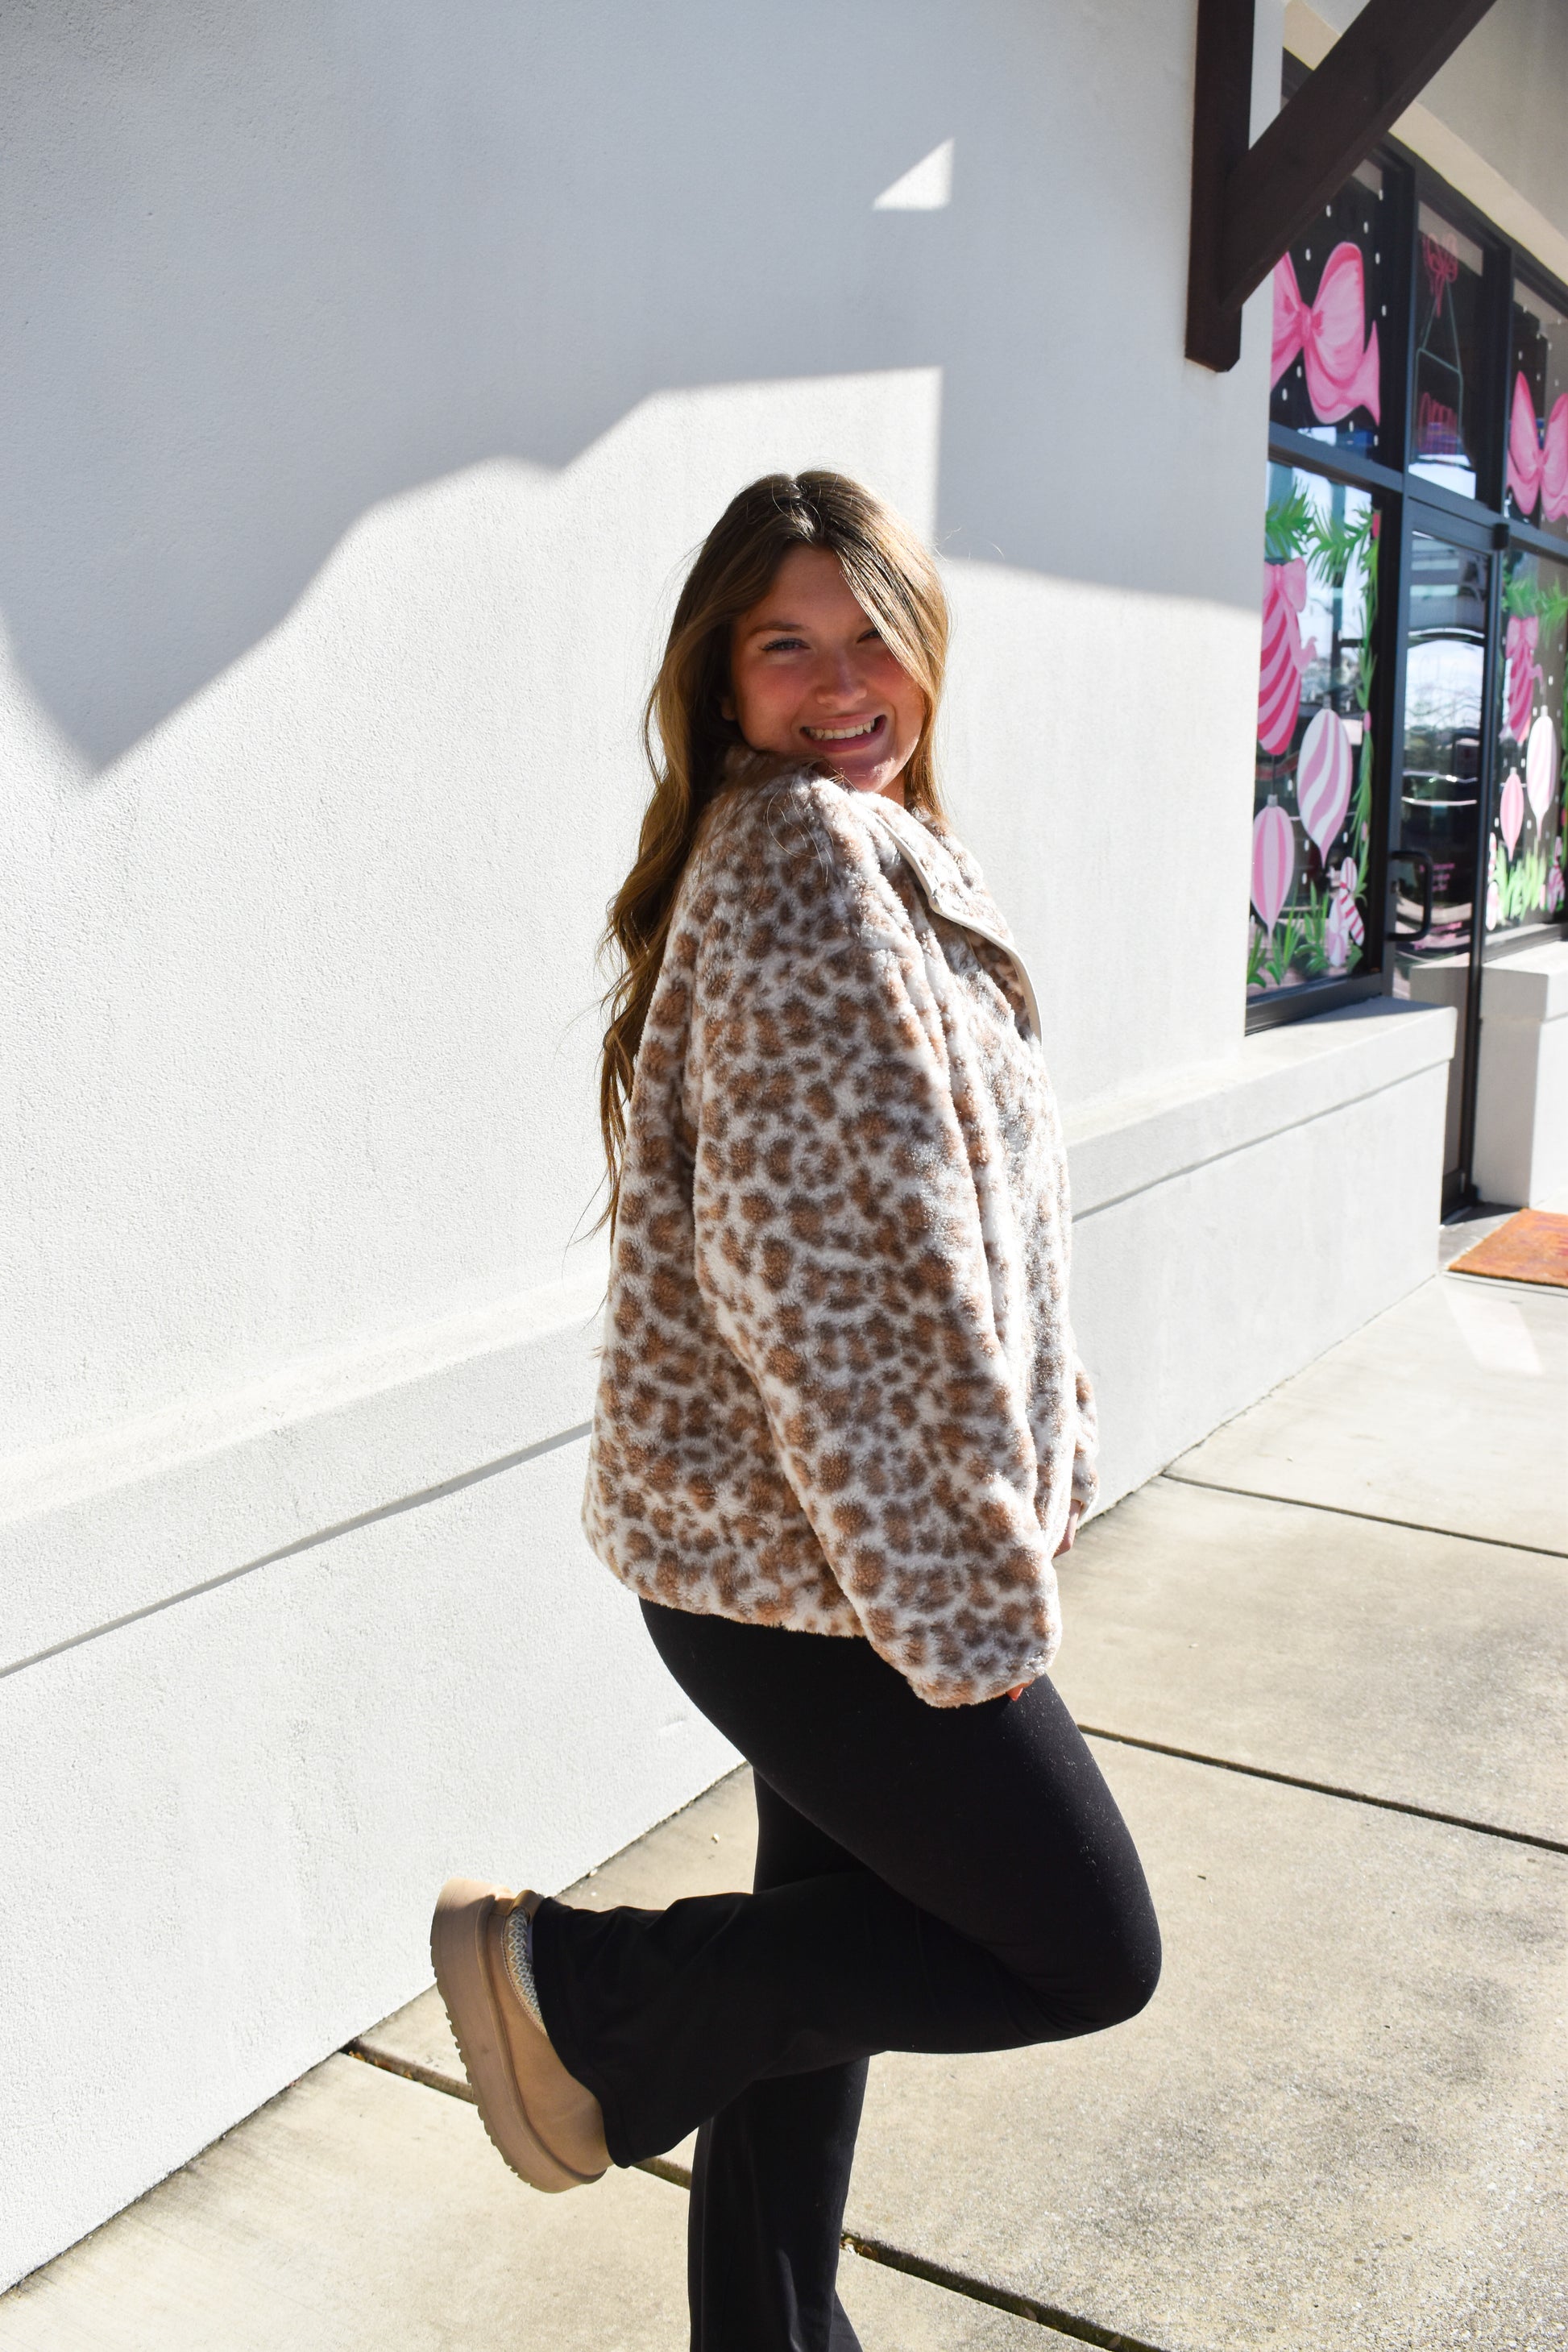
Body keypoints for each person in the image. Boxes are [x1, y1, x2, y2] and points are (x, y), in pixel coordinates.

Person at [432, 471, 1160, 2350]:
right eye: (786, 643)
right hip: (839, 1571)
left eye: (870, 636)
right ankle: (578, 1993)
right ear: (722, 675)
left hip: (798, 1560)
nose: (841, 683)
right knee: (1085, 1945)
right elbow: (837, 1291)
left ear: (924, 646)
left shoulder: (865, 846)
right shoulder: (811, 865)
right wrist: (962, 1609)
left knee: (807, 1992)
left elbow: (966, 1224)